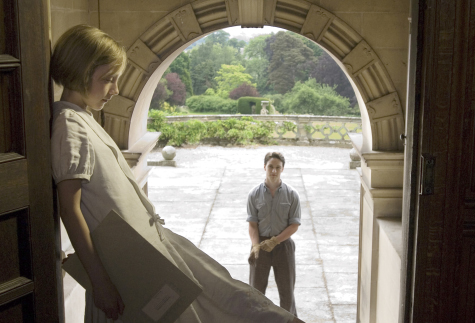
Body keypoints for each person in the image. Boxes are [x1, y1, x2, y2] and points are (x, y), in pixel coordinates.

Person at [50, 24, 304, 323]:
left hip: (144, 252)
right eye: (108, 79)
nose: (115, 90)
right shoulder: (70, 124)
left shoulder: (80, 118)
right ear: (80, 72)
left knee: (226, 297)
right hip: (126, 267)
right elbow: (70, 207)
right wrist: (99, 282)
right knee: (222, 304)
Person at [247, 152, 301, 317]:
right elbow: (252, 224)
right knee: (256, 293)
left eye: (278, 167)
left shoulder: (292, 195)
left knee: (287, 294)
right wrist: (256, 246)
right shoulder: (254, 194)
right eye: (271, 166)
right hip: (261, 246)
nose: (274, 171)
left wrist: (275, 241)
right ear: (265, 167)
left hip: (283, 246)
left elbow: (294, 225)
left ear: (282, 169)